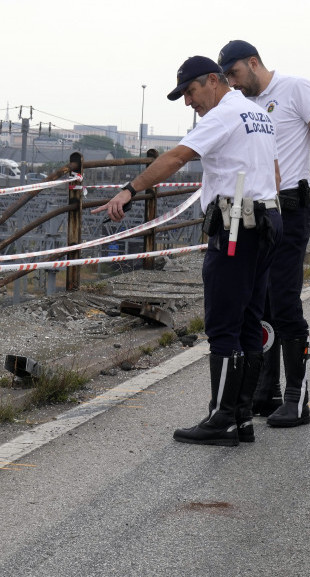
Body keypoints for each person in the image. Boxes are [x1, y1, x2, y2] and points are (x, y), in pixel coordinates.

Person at [92, 55, 281, 446]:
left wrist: (129, 191)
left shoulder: (223, 115)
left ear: (213, 80)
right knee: (248, 323)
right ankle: (242, 418)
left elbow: (178, 157)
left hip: (235, 227)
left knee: (223, 325)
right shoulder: (256, 113)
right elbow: (275, 169)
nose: (188, 103)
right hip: (265, 223)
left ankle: (221, 419)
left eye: (191, 92)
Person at [218, 40, 310, 428]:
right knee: (262, 301)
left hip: (294, 204)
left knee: (285, 298)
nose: (233, 84)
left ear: (253, 63)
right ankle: (266, 390)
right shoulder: (244, 105)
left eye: (235, 74)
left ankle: (298, 397)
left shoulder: (295, 89)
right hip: (262, 210)